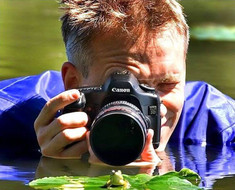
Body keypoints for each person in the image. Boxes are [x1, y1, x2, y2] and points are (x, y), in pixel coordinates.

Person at [0, 0, 234, 163]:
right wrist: (53, 167)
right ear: (73, 82)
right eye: (126, 86)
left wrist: (161, 174)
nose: (155, 106)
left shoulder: (220, 127)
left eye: (166, 85)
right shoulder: (9, 117)